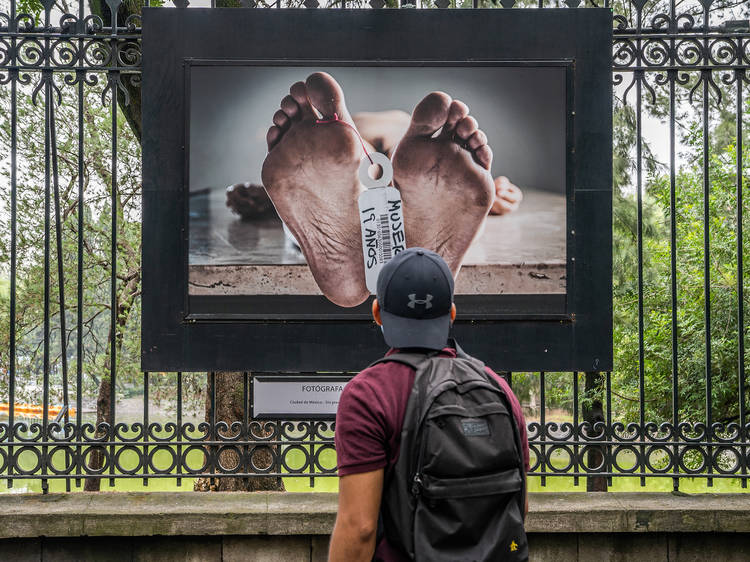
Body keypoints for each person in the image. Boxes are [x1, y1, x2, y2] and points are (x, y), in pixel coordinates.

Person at [329, 247, 530, 562]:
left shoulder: (367, 395)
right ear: (451, 314)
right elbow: (519, 507)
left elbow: (360, 529)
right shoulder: (497, 388)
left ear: (377, 312)